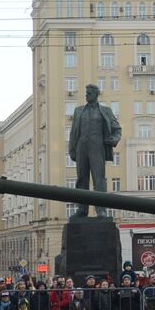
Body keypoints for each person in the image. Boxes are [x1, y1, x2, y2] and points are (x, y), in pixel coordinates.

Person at [67, 84, 122, 215]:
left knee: (99, 179)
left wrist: (113, 139)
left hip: (97, 147)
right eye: (86, 93)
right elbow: (74, 132)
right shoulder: (78, 111)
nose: (86, 95)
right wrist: (72, 148)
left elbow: (117, 129)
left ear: (96, 94)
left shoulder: (106, 111)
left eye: (89, 93)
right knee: (81, 178)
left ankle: (101, 209)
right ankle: (82, 209)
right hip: (81, 147)